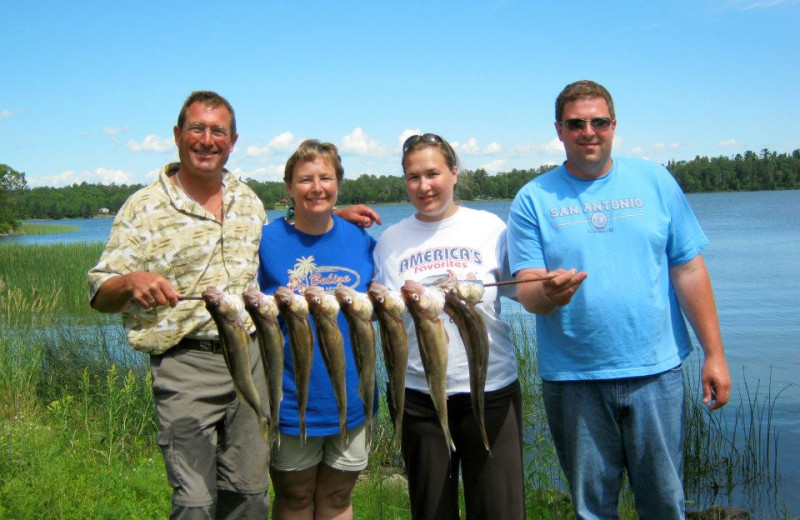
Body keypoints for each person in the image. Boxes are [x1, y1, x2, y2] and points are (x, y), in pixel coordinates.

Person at [87, 92, 379, 519]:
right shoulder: (144, 206)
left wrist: (332, 212)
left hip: (254, 359)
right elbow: (99, 291)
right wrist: (131, 282)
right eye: (197, 129)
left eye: (217, 131)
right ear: (177, 135)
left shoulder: (247, 201)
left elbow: (297, 230)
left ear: (233, 140)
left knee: (250, 494)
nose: (207, 140)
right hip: (186, 362)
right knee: (195, 502)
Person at [506, 80, 732, 519]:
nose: (588, 131)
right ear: (559, 130)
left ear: (614, 125)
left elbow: (687, 268)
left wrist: (715, 354)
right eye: (576, 123)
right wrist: (549, 294)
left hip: (657, 372)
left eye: (598, 121)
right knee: (593, 509)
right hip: (573, 379)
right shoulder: (533, 199)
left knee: (665, 503)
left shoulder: (655, 180)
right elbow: (528, 290)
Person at [372, 133, 526, 519]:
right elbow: (382, 311)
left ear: (454, 173)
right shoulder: (390, 241)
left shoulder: (490, 227)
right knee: (432, 511)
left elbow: (521, 290)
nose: (423, 186)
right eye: (413, 177)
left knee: (500, 510)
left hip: (491, 391)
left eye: (433, 173)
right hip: (417, 397)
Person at [257, 139, 377, 520]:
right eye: (305, 179)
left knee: (338, 496)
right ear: (289, 188)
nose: (317, 187)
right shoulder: (265, 240)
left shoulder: (361, 241)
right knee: (294, 497)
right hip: (290, 399)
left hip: (354, 397)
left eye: (326, 177)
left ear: (338, 183)